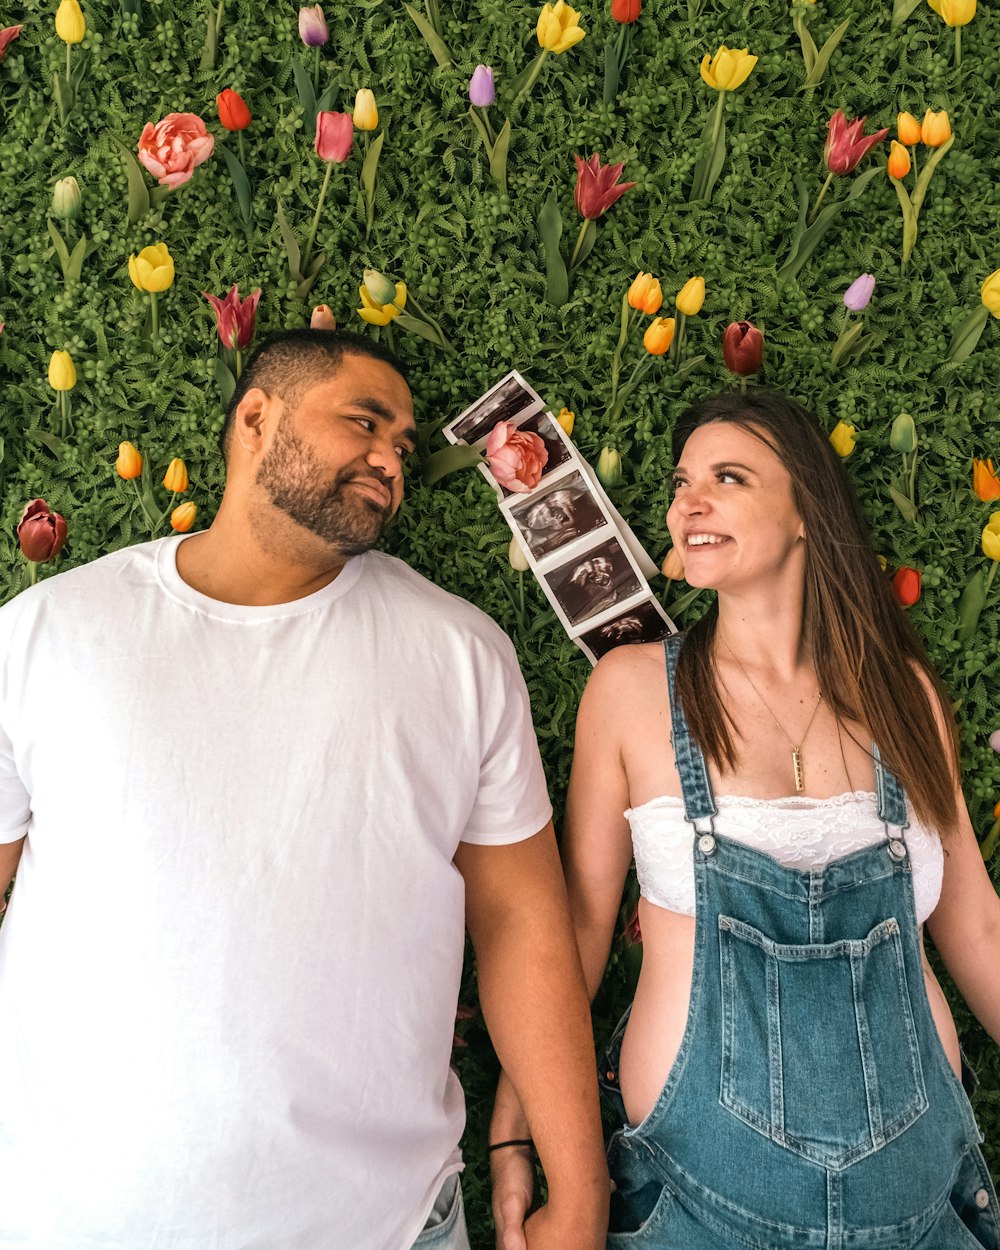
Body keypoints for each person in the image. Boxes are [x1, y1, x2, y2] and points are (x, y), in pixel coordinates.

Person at [0, 330, 609, 1250]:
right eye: (364, 421)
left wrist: (582, 1184)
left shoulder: (459, 653)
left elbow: (522, 924)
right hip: (70, 1218)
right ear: (256, 417)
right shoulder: (48, 633)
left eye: (404, 445)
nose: (391, 460)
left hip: (386, 1224)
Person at [561, 390, 1000, 1247]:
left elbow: (976, 924)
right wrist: (518, 1131)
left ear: (806, 512)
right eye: (683, 482)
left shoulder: (905, 695)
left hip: (916, 1206)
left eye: (728, 478)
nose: (689, 502)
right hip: (695, 1205)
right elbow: (577, 923)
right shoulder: (631, 689)